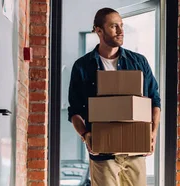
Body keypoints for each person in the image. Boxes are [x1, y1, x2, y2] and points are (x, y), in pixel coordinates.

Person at [67, 7, 161, 186]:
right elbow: (75, 110)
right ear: (98, 30)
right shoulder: (83, 67)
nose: (120, 31)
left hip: (135, 151)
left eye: (121, 25)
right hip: (103, 154)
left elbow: (154, 100)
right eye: (113, 26)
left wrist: (153, 133)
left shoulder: (138, 62)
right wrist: (85, 135)